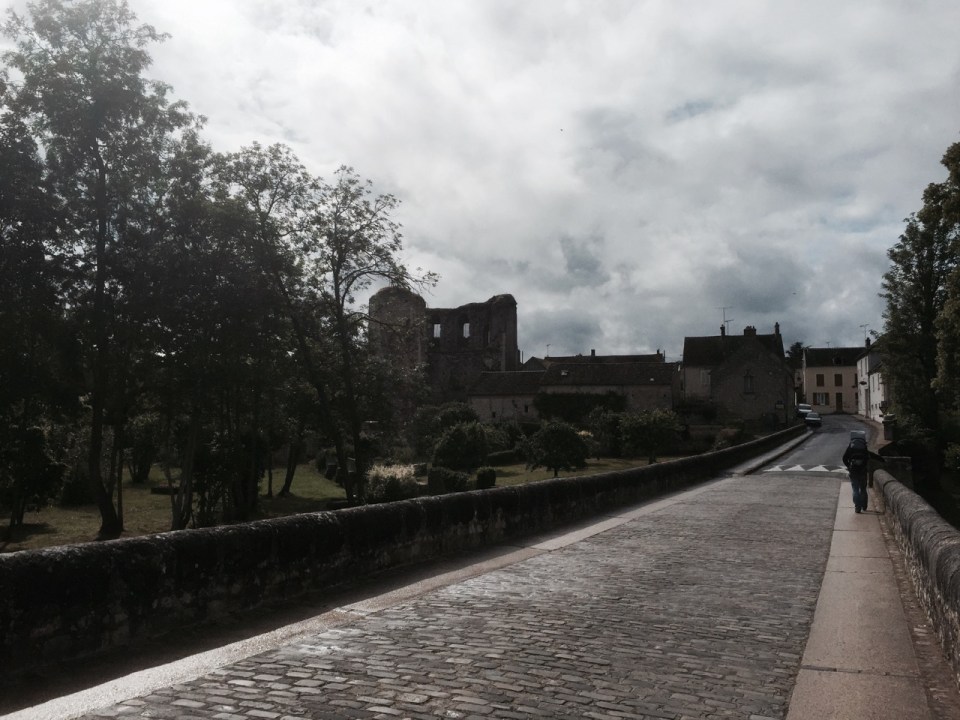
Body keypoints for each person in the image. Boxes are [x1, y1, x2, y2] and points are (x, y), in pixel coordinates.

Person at [842, 431, 884, 513]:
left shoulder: (851, 447)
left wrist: (849, 467)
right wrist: (882, 459)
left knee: (855, 489)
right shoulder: (863, 447)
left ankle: (857, 507)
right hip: (863, 471)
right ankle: (864, 506)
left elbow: (844, 458)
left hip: (853, 472)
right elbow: (871, 455)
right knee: (863, 489)